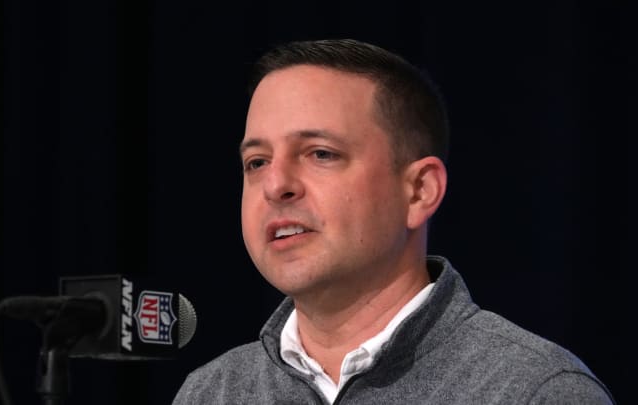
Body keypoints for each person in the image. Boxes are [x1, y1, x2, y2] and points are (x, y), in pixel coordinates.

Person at [172, 38, 615, 404]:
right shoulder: (213, 392)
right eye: (256, 162)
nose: (276, 185)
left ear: (419, 191)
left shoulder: (535, 391)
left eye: (320, 154)